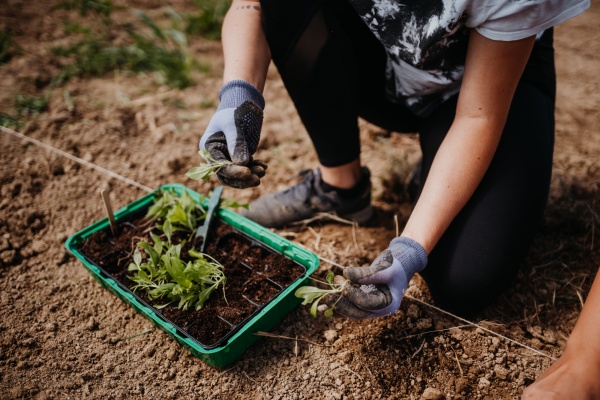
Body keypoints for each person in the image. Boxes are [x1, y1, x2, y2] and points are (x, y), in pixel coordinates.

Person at [199, 0, 594, 395]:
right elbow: (251, 5)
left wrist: (409, 251)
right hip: (382, 62)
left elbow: (479, 117)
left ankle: (439, 170)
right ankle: (341, 187)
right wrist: (238, 97)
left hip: (481, 87)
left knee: (466, 280)